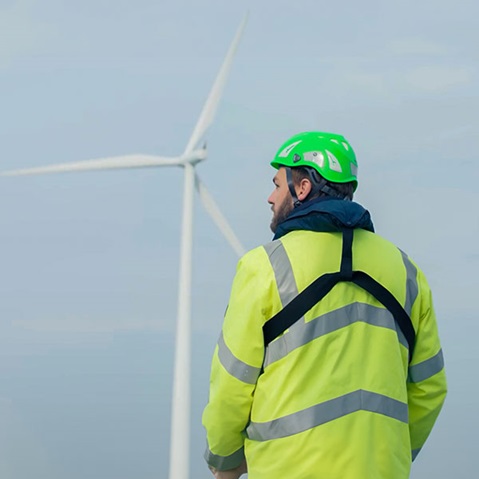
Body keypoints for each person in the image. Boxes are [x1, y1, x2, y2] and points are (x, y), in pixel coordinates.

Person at [202, 131, 447, 479]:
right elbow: (430, 387)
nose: (270, 197)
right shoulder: (406, 271)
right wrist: (391, 456)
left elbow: (231, 383)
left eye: (277, 184)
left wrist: (224, 461)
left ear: (302, 188)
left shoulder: (264, 267)